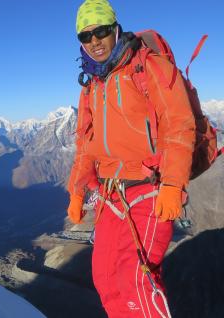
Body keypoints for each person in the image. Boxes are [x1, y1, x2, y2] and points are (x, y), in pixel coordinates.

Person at [67, 1, 196, 317]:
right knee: (106, 278)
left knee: (137, 279)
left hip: (150, 188)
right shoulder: (92, 85)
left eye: (101, 31)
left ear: (115, 29)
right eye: (86, 36)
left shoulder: (149, 67)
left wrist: (172, 183)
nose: (94, 41)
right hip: (110, 194)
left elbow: (180, 124)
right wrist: (77, 188)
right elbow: (86, 142)